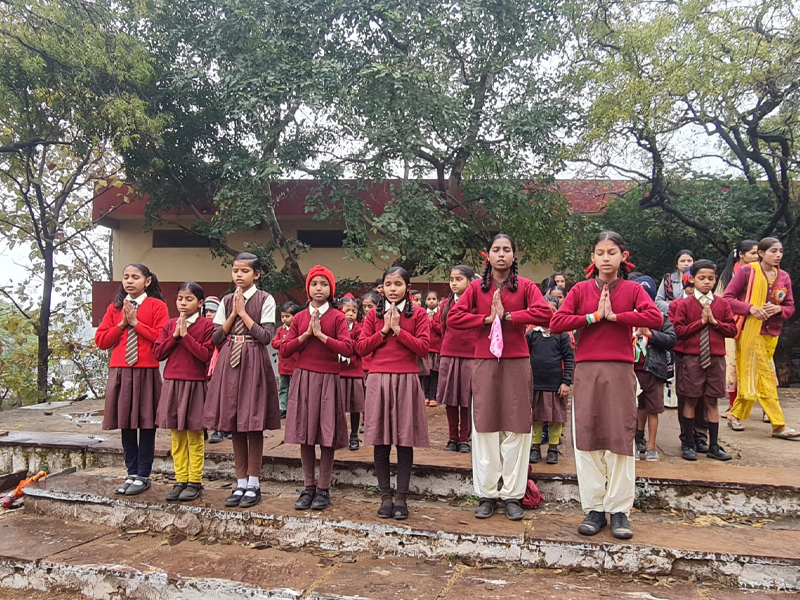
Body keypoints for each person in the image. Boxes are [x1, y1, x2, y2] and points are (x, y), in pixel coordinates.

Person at [550, 231, 662, 540]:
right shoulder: (580, 290)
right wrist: (593, 316)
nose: (606, 258)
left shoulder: (633, 289)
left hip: (620, 370)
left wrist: (616, 317)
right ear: (593, 258)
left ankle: (619, 510)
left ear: (623, 256)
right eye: (600, 253)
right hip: (587, 370)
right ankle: (594, 508)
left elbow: (655, 318)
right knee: (588, 436)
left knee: (620, 437)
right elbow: (557, 322)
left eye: (612, 252)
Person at [449, 234, 552, 521]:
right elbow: (454, 318)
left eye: (507, 249)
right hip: (485, 361)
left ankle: (512, 494)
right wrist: (485, 319)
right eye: (496, 249)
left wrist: (509, 317)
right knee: (485, 425)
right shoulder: (475, 288)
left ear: (514, 256)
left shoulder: (526, 286)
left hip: (516, 361)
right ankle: (487, 493)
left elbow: (545, 313)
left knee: (516, 427)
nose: (502, 254)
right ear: (488, 256)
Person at [203, 252, 280, 509]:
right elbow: (216, 338)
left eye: (244, 271)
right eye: (235, 270)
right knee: (235, 422)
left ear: (256, 274)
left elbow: (265, 336)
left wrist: (243, 313)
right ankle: (240, 481)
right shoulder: (226, 300)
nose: (238, 275)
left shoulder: (265, 299)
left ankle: (254, 483)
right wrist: (232, 314)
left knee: (252, 423)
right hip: (230, 361)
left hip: (253, 360)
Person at [357, 267, 430, 520]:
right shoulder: (372, 315)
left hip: (406, 380)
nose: (392, 289)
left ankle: (401, 497)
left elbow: (424, 347)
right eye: (388, 284)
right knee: (381, 440)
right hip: (378, 380)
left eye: (398, 284)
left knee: (404, 440)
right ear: (382, 288)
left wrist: (399, 330)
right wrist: (384, 331)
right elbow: (361, 347)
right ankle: (385, 496)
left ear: (407, 287)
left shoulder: (419, 314)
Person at [281, 266, 354, 511]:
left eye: (324, 284)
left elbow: (347, 349)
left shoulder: (338, 317)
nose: (318, 288)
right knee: (305, 434)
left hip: (329, 380)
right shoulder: (300, 317)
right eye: (314, 284)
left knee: (327, 435)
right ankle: (308, 486)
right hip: (304, 378)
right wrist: (305, 335)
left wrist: (321, 336)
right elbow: (285, 349)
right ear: (308, 288)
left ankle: (323, 488)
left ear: (331, 289)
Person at [95, 264, 169, 496]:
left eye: (135, 277)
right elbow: (101, 341)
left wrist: (136, 323)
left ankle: (143, 475)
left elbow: (161, 337)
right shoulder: (115, 308)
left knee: (146, 424)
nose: (129, 281)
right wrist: (122, 324)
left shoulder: (157, 306)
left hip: (146, 371)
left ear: (147, 281)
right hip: (120, 371)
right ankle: (131, 472)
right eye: (126, 277)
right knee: (126, 424)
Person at [725, 238, 800, 440]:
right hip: (750, 331)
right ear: (761, 253)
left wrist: (778, 309)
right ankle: (779, 424)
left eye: (781, 251)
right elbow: (727, 298)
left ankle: (735, 413)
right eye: (773, 251)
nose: (778, 255)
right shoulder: (747, 272)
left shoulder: (783, 277)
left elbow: (790, 307)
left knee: (753, 375)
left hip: (772, 333)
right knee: (765, 377)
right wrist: (750, 308)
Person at [153, 282, 215, 501]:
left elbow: (206, 355)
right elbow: (158, 353)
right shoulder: (170, 325)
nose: (183, 303)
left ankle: (195, 481)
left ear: (200, 303)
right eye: (180, 298)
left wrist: (186, 336)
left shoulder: (207, 325)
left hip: (195, 384)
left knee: (195, 434)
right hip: (172, 383)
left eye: (189, 299)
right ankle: (180, 479)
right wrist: (175, 336)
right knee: (176, 435)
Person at [672, 260, 738, 460]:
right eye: (701, 278)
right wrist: (701, 323)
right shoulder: (685, 304)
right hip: (692, 358)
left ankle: (713, 445)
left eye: (710, 278)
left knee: (712, 400)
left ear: (715, 279)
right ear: (692, 279)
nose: (706, 282)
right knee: (690, 399)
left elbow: (732, 329)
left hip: (715, 358)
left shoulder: (722, 304)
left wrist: (715, 323)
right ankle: (689, 443)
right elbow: (679, 331)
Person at [632, 276, 676, 462]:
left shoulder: (660, 318)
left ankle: (651, 446)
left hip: (654, 371)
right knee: (634, 409)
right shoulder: (628, 317)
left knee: (653, 409)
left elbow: (671, 340)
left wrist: (652, 334)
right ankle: (634, 444)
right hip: (632, 371)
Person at [526, 295, 573, 465]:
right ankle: (535, 447)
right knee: (536, 417)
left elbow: (569, 358)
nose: (547, 314)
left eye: (551, 310)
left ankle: (553, 448)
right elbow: (525, 357)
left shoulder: (562, 335)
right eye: (543, 311)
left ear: (557, 312)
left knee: (555, 418)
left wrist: (566, 382)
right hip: (536, 384)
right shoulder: (531, 335)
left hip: (555, 385)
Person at [716, 240, 759, 416]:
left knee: (759, 364)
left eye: (758, 253)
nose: (757, 257)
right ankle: (733, 404)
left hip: (756, 322)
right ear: (741, 254)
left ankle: (766, 407)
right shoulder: (728, 275)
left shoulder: (761, 272)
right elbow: (720, 299)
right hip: (733, 324)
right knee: (733, 364)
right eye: (753, 253)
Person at [437, 265, 477, 453]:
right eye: (451, 279)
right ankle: (452, 437)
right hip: (449, 354)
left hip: (470, 355)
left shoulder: (476, 304)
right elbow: (443, 329)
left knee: (466, 399)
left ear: (470, 282)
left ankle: (464, 438)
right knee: (450, 398)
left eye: (459, 279)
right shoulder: (446, 304)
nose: (454, 283)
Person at [668, 272, 710, 451]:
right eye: (691, 287)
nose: (694, 290)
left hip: (707, 354)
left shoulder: (712, 303)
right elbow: (674, 330)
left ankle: (701, 436)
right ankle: (687, 437)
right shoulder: (677, 305)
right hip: (684, 354)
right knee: (686, 396)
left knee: (706, 397)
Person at [339, 296, 366, 451]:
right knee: (337, 407)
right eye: (347, 310)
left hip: (355, 372)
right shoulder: (336, 327)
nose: (350, 314)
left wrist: (346, 344)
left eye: (353, 311)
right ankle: (338, 435)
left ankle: (354, 435)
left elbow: (360, 347)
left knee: (355, 406)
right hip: (338, 373)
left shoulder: (358, 328)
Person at [271, 302, 302, 419]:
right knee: (283, 388)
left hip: (296, 365)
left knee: (295, 388)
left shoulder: (299, 329)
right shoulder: (280, 330)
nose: (284, 319)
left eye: (287, 316)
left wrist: (290, 343)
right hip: (283, 365)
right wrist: (284, 342)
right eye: (282, 316)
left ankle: (295, 408)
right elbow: (274, 343)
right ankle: (283, 408)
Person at [656, 250, 695, 314]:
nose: (686, 264)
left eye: (689, 261)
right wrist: (674, 307)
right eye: (682, 261)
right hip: (671, 316)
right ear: (677, 264)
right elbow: (658, 301)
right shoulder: (668, 279)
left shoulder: (698, 279)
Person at [423, 291, 442, 406]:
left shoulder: (440, 315)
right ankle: (425, 396)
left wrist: (432, 323)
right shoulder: (422, 314)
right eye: (429, 299)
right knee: (426, 373)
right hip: (426, 349)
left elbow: (442, 330)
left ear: (438, 301)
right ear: (425, 301)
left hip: (436, 349)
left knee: (435, 373)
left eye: (434, 299)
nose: (431, 301)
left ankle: (433, 397)